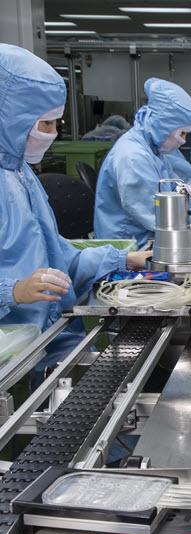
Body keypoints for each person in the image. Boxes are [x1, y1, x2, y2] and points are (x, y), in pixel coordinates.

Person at [0, 43, 150, 370]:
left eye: (57, 123)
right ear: (12, 118)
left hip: (51, 340)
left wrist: (122, 258)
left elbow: (57, 254)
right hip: (13, 363)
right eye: (45, 124)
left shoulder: (19, 173)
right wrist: (14, 291)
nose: (53, 135)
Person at [94, 79, 191, 249]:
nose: (184, 140)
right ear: (163, 125)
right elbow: (157, 213)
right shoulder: (133, 157)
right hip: (131, 247)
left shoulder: (154, 151)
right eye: (181, 133)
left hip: (150, 238)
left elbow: (177, 192)